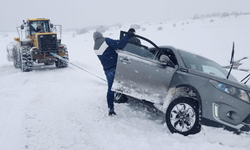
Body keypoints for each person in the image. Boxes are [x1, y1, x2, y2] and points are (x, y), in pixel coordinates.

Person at [93, 30, 134, 116]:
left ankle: (110, 108)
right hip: (116, 67)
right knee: (131, 80)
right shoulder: (106, 40)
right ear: (101, 35)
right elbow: (120, 44)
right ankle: (130, 97)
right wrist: (128, 36)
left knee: (111, 89)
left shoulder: (95, 48)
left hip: (107, 70)